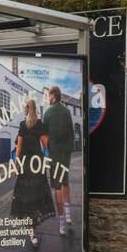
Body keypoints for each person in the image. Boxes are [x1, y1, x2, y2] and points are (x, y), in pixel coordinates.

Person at [12, 98, 53, 250]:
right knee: (35, 194)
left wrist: (16, 165)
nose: (24, 109)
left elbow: (19, 147)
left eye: (25, 107)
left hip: (25, 164)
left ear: (29, 108)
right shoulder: (40, 124)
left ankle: (32, 231)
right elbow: (46, 143)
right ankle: (32, 230)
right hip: (36, 164)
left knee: (26, 195)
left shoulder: (23, 125)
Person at [43, 85, 75, 236]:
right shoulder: (67, 111)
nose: (48, 99)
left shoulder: (48, 112)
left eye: (49, 96)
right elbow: (71, 133)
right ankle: (69, 214)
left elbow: (44, 137)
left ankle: (62, 222)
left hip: (55, 154)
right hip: (66, 154)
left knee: (57, 187)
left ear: (53, 96)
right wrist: (68, 150)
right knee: (65, 182)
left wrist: (48, 146)